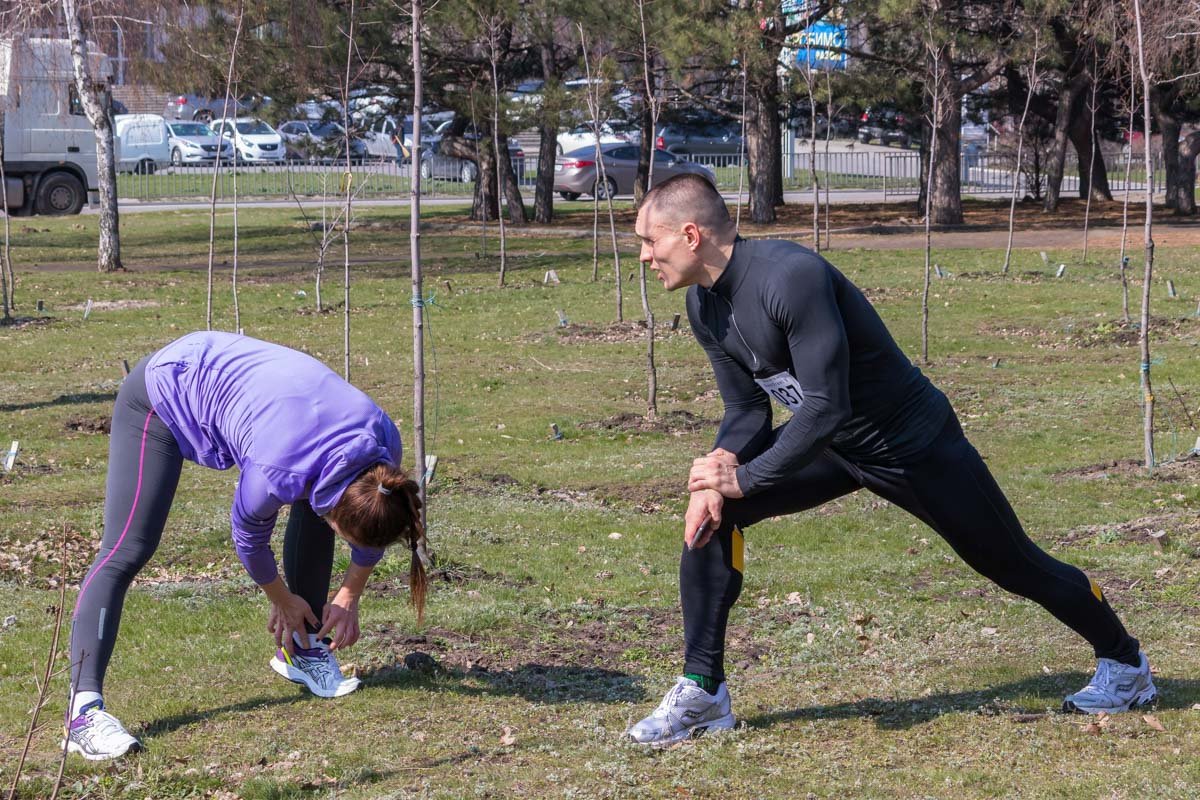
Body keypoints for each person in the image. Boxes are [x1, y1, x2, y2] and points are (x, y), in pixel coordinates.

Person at [625, 174, 1156, 747]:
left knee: (1014, 565)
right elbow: (746, 407)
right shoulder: (704, 304)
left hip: (913, 446)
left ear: (690, 234)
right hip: (834, 448)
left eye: (649, 241)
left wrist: (746, 477)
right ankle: (703, 692)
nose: (645, 256)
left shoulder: (789, 277)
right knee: (715, 519)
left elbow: (828, 405)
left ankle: (1125, 663)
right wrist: (717, 473)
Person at [65, 332, 427, 760]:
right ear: (338, 516)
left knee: (316, 501)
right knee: (127, 547)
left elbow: (371, 532)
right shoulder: (277, 468)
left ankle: (301, 649)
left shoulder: (383, 460)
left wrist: (350, 595)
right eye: (343, 533)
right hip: (166, 389)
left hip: (286, 415)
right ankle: (82, 712)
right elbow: (248, 538)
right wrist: (280, 598)